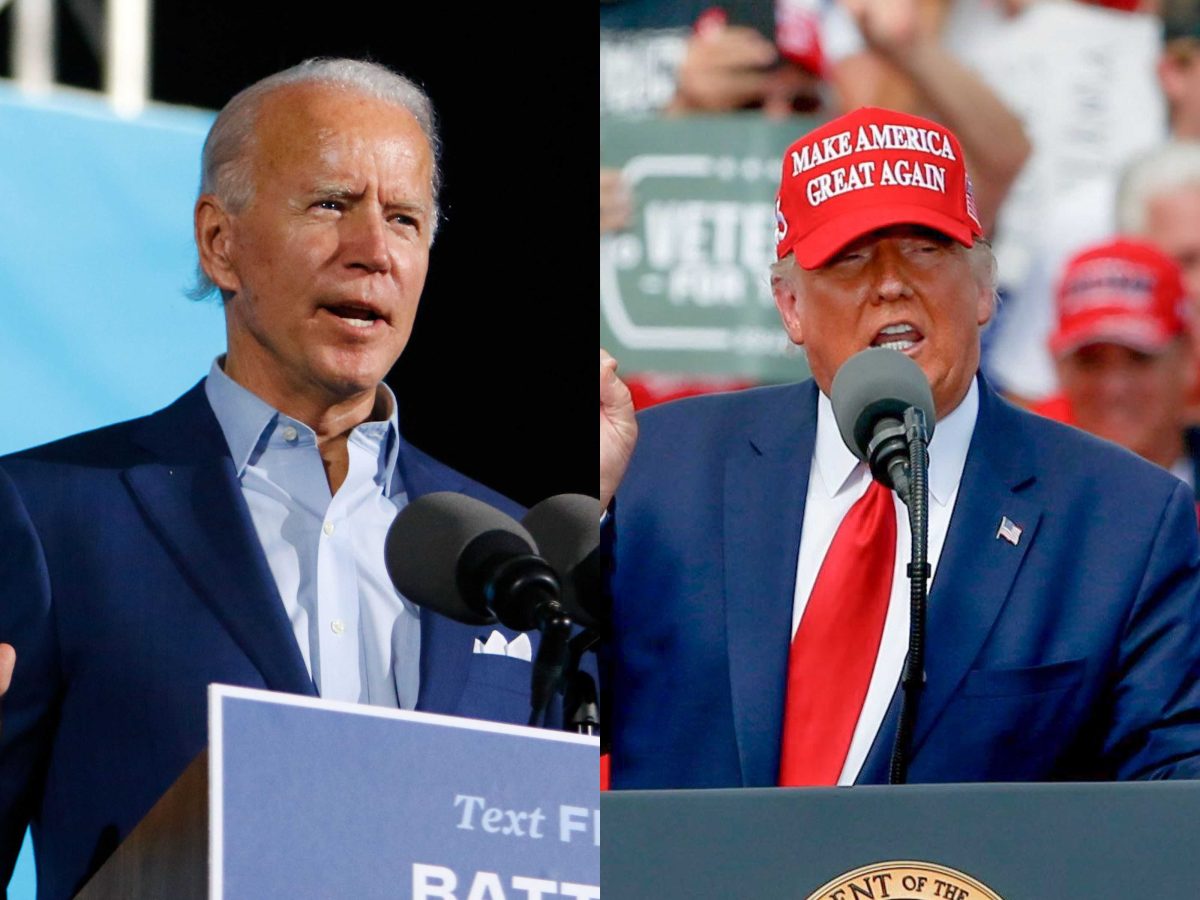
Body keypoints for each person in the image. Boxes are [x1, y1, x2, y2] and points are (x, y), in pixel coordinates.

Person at [0, 59, 549, 898]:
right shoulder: (50, 517)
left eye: (404, 219)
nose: (373, 253)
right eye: (331, 205)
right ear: (221, 243)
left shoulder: (502, 552)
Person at [600, 106, 1200, 789]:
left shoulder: (1125, 521)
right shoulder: (657, 471)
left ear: (981, 288)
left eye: (923, 247)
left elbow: (1174, 801)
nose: (890, 283)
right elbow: (541, 713)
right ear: (790, 305)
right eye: (850, 257)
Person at [1033, 238, 1200, 498]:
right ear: (1059, 367)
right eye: (1089, 361)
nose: (1113, 387)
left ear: (1187, 358)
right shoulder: (1016, 495)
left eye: (1139, 358)